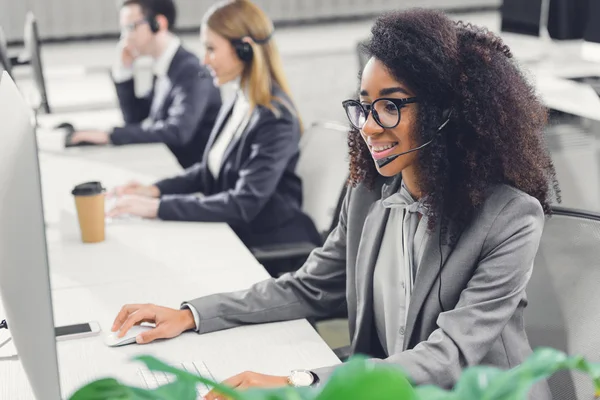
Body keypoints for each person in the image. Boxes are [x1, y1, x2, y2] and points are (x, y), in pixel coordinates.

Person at [110, 8, 558, 398]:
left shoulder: (511, 218)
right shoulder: (369, 195)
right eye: (365, 106)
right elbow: (307, 287)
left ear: (446, 112)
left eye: (392, 105)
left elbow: (447, 357)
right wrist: (193, 313)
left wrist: (298, 381)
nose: (370, 126)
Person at [106, 0, 321, 250]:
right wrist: (153, 190)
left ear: (244, 50)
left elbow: (243, 203)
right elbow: (207, 171)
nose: (205, 61)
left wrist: (157, 207)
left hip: (269, 245)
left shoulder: (275, 118)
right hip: (231, 232)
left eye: (211, 49)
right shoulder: (237, 100)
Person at [69, 0, 222, 169]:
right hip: (170, 166)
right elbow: (137, 119)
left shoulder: (192, 71)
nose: (125, 38)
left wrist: (109, 135)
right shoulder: (165, 65)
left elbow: (178, 132)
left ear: (158, 24)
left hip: (195, 179)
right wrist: (124, 72)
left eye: (131, 27)